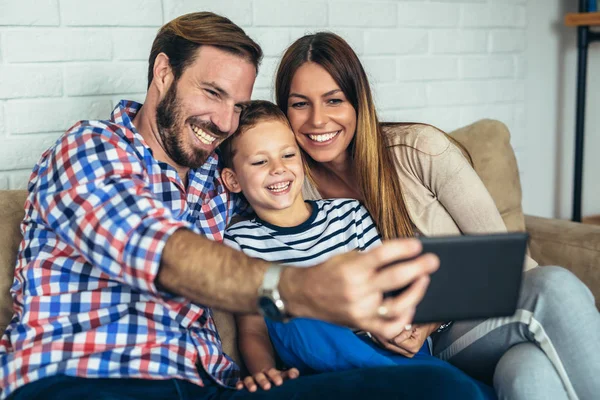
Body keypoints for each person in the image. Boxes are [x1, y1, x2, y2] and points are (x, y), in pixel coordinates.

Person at [0, 12, 489, 400]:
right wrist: (300, 287)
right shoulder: (89, 150)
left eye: (237, 104)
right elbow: (161, 253)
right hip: (82, 380)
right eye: (212, 93)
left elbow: (285, 166)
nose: (223, 120)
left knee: (444, 387)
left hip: (209, 388)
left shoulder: (222, 173)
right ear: (164, 73)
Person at [274, 31, 600, 400]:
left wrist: (428, 319)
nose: (318, 120)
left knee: (528, 371)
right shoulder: (288, 186)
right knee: (553, 295)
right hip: (406, 352)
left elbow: (507, 264)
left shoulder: (419, 151)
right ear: (283, 112)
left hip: (476, 320)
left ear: (358, 103)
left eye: (334, 100)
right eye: (300, 104)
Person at [219, 99, 495, 399]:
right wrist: (266, 373)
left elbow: (386, 288)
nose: (279, 169)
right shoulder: (240, 240)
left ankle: (411, 375)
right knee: (295, 314)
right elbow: (252, 328)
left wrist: (401, 325)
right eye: (260, 162)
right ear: (232, 179)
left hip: (378, 342)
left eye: (288, 155)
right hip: (314, 349)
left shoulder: (347, 213)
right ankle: (417, 378)